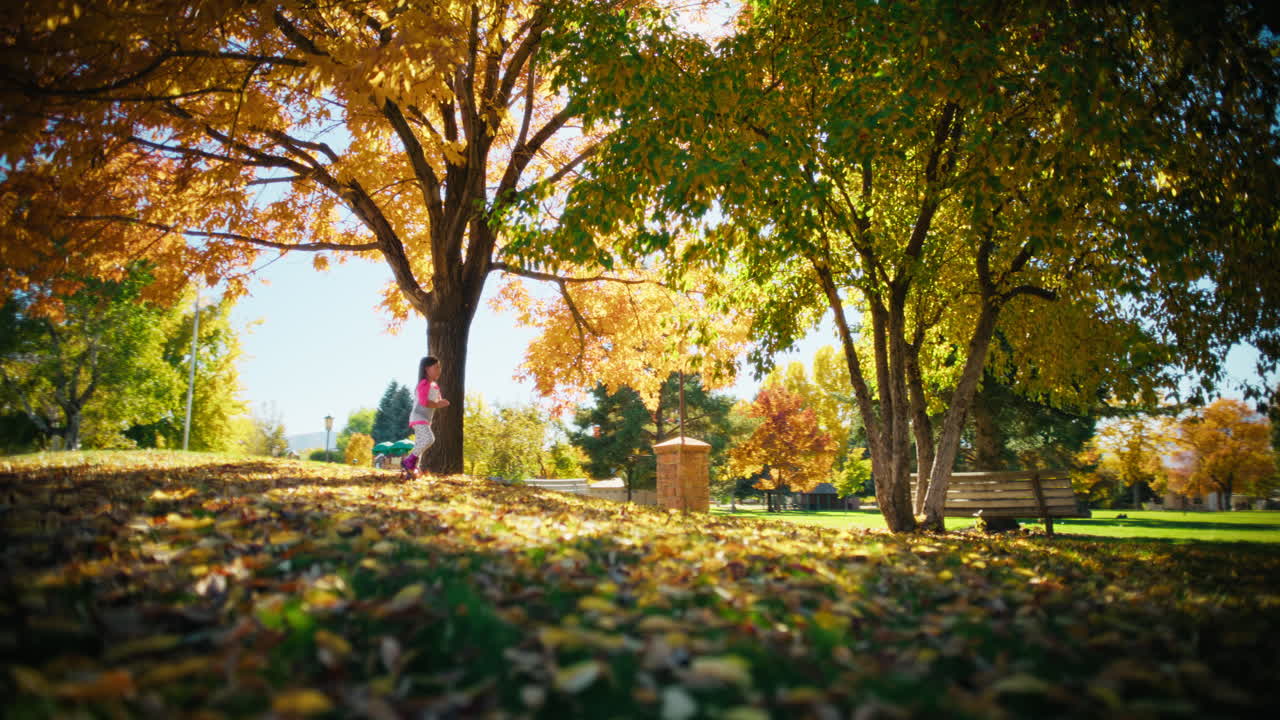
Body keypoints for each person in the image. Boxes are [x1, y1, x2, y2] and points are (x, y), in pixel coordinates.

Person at [401, 355, 450, 477]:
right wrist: (439, 404)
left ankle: (411, 471)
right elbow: (424, 402)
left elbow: (435, 400)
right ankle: (409, 461)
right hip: (418, 417)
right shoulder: (424, 383)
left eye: (440, 367)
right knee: (429, 439)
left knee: (419, 444)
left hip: (425, 419)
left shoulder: (434, 386)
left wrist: (440, 402)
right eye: (436, 367)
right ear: (427, 369)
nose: (439, 370)